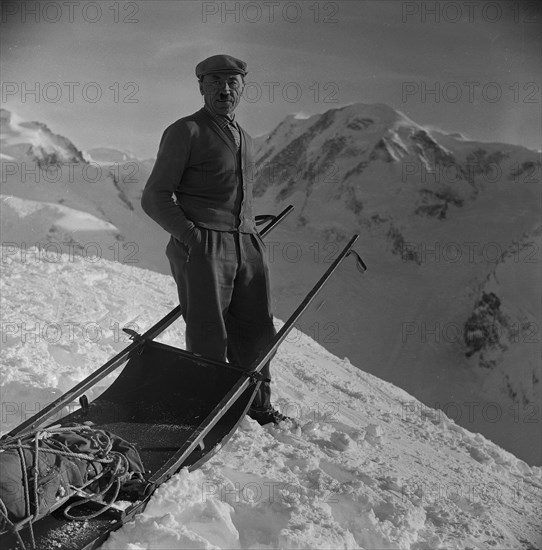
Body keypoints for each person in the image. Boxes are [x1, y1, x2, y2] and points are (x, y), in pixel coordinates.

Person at [141, 54, 286, 425]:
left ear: (243, 87)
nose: (225, 89)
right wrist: (192, 237)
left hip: (247, 245)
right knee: (209, 334)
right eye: (216, 82)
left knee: (256, 331)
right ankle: (207, 409)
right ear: (201, 86)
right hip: (204, 246)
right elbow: (155, 196)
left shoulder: (245, 138)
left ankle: (256, 404)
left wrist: (249, 237)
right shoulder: (185, 131)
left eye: (233, 82)